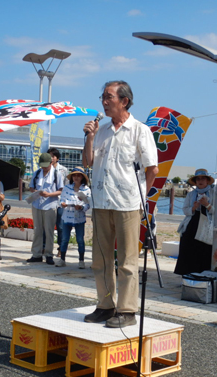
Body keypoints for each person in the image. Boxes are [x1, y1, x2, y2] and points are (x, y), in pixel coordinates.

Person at [82, 80, 158, 328]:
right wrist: (90, 138)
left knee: (127, 260)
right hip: (102, 201)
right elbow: (88, 162)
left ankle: (127, 310)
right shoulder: (101, 130)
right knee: (101, 259)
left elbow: (152, 168)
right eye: (102, 97)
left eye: (109, 97)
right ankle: (105, 306)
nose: (104, 102)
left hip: (128, 203)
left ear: (124, 101)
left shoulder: (140, 130)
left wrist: (140, 196)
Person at [174, 169, 215, 276]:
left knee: (204, 249)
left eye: (203, 179)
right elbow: (185, 209)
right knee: (188, 248)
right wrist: (194, 208)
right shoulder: (191, 194)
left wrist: (207, 204)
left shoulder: (213, 193)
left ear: (207, 181)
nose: (200, 181)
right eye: (198, 179)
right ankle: (187, 274)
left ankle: (203, 274)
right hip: (192, 222)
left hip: (207, 224)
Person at [26, 152, 64, 265]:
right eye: (42, 165)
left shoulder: (57, 174)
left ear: (51, 162)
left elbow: (61, 190)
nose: (44, 167)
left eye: (46, 165)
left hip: (50, 205)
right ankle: (36, 254)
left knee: (49, 231)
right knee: (37, 230)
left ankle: (48, 254)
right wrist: (35, 192)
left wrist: (49, 194)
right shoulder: (37, 173)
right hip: (37, 204)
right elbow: (31, 187)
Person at [56, 167, 91, 269]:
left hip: (79, 217)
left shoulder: (86, 189)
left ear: (82, 177)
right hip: (67, 216)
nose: (76, 177)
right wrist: (62, 204)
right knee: (64, 239)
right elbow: (61, 199)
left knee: (80, 239)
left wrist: (82, 207)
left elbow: (88, 204)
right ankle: (62, 259)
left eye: (78, 175)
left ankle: (81, 260)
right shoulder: (67, 188)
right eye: (74, 175)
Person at [48, 147, 68, 257]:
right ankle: (45, 248)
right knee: (47, 226)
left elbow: (67, 185)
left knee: (60, 226)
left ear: (57, 158)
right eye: (49, 156)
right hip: (48, 201)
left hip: (60, 202)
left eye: (53, 156)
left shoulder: (63, 170)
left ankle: (61, 248)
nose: (51, 158)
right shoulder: (44, 170)